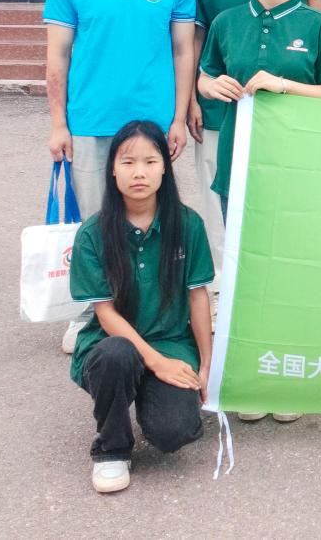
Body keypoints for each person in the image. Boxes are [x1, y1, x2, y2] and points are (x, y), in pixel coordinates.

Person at [199, 0, 321, 425]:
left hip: (296, 165)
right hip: (239, 162)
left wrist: (284, 84)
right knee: (245, 271)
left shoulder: (317, 25)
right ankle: (251, 376)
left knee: (289, 270)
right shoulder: (226, 23)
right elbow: (205, 75)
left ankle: (287, 375)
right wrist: (210, 86)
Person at [45, 0, 196, 354]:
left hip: (152, 125)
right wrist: (58, 123)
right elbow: (57, 57)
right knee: (98, 223)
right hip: (91, 122)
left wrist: (177, 118)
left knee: (155, 220)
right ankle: (93, 312)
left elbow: (183, 51)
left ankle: (155, 312)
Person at [69, 120, 213, 494]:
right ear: (112, 169)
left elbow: (198, 296)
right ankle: (111, 449)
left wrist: (206, 365)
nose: (139, 173)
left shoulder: (188, 224)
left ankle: (147, 393)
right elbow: (105, 314)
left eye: (150, 162)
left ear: (165, 168)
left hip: (170, 342)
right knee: (118, 356)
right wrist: (156, 362)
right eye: (128, 162)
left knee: (174, 432)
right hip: (110, 346)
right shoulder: (93, 234)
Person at [187, 0, 271, 293]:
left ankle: (262, 276)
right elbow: (194, 39)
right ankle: (222, 280)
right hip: (219, 104)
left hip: (273, 107)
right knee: (215, 189)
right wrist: (191, 97)